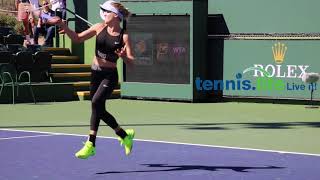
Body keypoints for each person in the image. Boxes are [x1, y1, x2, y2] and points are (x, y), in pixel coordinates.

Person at [51, 0, 135, 159]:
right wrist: (64, 26)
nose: (103, 14)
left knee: (96, 103)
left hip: (109, 76)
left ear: (116, 16)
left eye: (106, 11)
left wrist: (124, 57)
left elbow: (132, 62)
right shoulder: (98, 27)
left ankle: (91, 143)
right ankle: (124, 135)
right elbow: (77, 38)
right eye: (102, 11)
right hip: (95, 73)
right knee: (97, 107)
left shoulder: (124, 36)